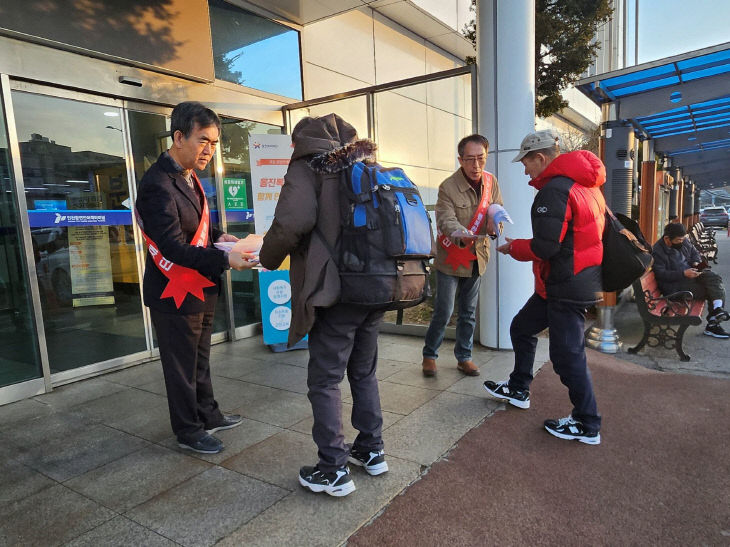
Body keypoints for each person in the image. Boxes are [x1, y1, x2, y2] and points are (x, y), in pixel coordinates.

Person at [259, 114, 386, 498]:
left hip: (337, 289)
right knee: (363, 372)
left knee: (325, 378)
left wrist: (266, 257)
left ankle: (332, 469)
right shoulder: (366, 164)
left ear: (302, 141)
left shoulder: (309, 166)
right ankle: (371, 449)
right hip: (376, 285)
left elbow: (292, 221)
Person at [136, 101, 255, 455]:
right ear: (178, 136)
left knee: (200, 359)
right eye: (203, 140)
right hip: (173, 291)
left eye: (215, 143)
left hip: (198, 288)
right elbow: (172, 245)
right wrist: (225, 258)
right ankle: (188, 430)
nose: (210, 150)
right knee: (181, 367)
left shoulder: (189, 176)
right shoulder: (157, 183)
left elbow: (197, 227)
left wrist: (222, 237)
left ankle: (208, 413)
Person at [483, 129, 605, 445]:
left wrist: (515, 248)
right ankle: (519, 388)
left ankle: (587, 423)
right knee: (522, 328)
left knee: (567, 357)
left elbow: (546, 248)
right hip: (573, 280)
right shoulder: (587, 187)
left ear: (541, 157)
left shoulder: (555, 191)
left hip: (565, 286)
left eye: (526, 162)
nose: (525, 169)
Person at [421, 135, 502, 378]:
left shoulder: (491, 182)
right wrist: (461, 232)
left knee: (468, 311)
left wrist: (495, 221)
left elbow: (497, 207)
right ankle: (429, 355)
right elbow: (445, 219)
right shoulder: (448, 186)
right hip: (451, 257)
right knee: (444, 311)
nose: (476, 165)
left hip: (477, 256)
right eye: (470, 159)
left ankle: (464, 357)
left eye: (481, 159)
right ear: (460, 159)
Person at [652, 222, 729, 338]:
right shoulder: (658, 251)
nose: (681, 242)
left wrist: (696, 262)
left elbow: (694, 252)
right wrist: (683, 274)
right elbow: (661, 274)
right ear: (667, 238)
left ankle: (717, 310)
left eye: (682, 239)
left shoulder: (682, 241)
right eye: (678, 240)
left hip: (690, 276)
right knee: (712, 290)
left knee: (714, 277)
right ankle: (713, 324)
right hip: (674, 287)